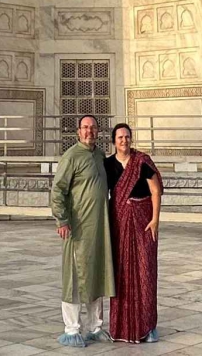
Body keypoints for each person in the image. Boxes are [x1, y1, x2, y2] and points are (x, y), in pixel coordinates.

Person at [51, 115, 115, 347]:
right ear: (78, 131)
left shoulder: (100, 156)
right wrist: (62, 220)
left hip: (99, 229)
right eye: (85, 127)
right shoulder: (71, 157)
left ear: (98, 131)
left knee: (96, 274)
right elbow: (58, 190)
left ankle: (95, 326)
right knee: (75, 277)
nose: (89, 131)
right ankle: (72, 328)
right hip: (77, 229)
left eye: (93, 127)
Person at [105, 123, 162, 344]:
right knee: (121, 272)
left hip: (143, 222)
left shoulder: (142, 161)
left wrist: (155, 219)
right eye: (120, 137)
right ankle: (121, 327)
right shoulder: (108, 164)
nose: (124, 140)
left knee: (145, 270)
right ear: (114, 141)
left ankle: (148, 326)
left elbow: (155, 190)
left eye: (127, 137)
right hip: (119, 223)